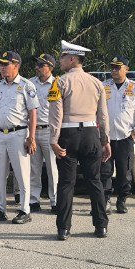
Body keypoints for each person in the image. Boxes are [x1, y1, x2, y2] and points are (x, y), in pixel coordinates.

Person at [48, 40, 111, 241]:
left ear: (72, 59)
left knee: (66, 183)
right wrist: (105, 140)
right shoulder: (97, 83)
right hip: (91, 133)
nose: (60, 60)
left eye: (63, 57)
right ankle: (101, 226)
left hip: (68, 134)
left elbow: (56, 114)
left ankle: (63, 229)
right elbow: (103, 115)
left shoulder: (60, 82)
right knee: (94, 181)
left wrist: (53, 139)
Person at [0, 51, 39, 224]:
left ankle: (25, 210)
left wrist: (32, 137)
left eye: (6, 64)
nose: (2, 67)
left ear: (16, 65)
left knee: (22, 174)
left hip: (18, 133)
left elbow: (33, 113)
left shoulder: (26, 85)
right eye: (1, 64)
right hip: (0, 134)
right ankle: (0, 209)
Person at [100, 56, 135, 214]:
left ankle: (122, 200)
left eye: (117, 67)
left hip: (125, 137)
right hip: (106, 138)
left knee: (124, 171)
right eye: (112, 67)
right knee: (105, 171)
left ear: (126, 69)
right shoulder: (103, 86)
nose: (114, 70)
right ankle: (106, 200)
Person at [29, 53, 59, 214]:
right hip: (33, 131)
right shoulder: (30, 83)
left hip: (49, 131)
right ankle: (34, 200)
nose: (37, 68)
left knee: (52, 168)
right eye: (37, 64)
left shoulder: (57, 84)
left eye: (41, 65)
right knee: (34, 168)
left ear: (51, 67)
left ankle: (55, 201)